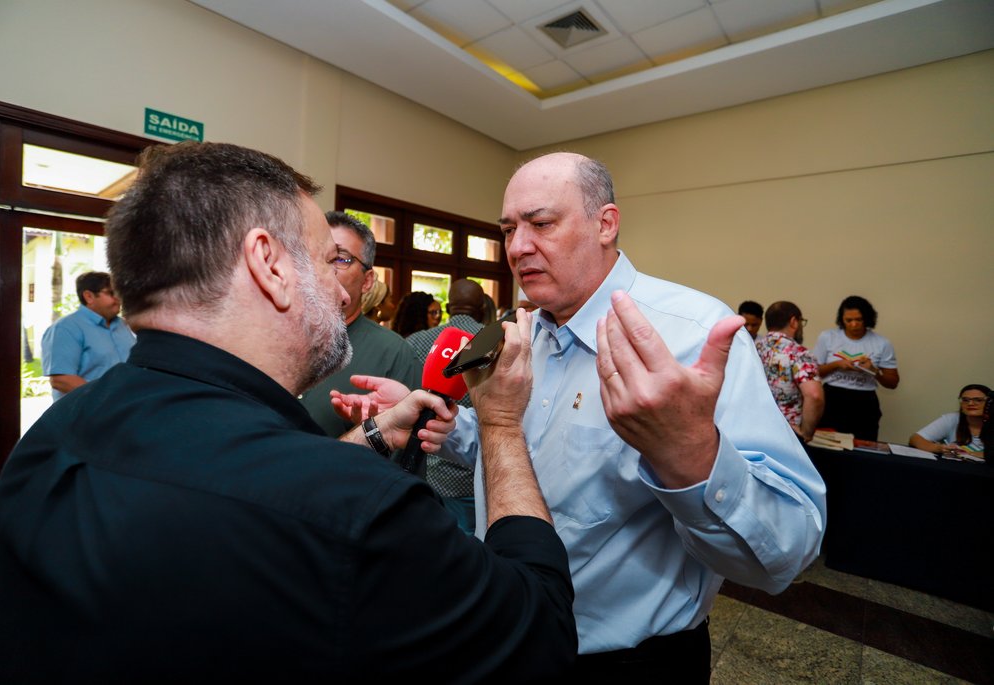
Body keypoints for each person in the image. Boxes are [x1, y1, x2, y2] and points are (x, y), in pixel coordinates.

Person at [0, 142, 577, 682]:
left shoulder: (48, 440)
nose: (342, 293)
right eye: (327, 261)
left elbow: (251, 486)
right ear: (268, 264)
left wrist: (374, 432)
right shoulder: (356, 505)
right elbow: (540, 632)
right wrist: (500, 422)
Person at [332, 152, 825, 681]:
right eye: (509, 229)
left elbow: (788, 548)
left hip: (626, 661)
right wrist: (453, 427)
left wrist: (690, 456)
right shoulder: (524, 331)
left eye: (541, 223)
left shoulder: (692, 334)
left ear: (605, 224)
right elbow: (530, 456)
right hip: (508, 628)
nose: (517, 247)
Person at [298, 211, 421, 437]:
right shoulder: (279, 335)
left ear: (367, 281)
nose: (324, 267)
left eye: (340, 258)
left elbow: (405, 447)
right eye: (314, 254)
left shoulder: (394, 354)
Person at [404, 278, 486, 533]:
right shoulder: (495, 344)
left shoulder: (415, 341)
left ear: (449, 308)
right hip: (478, 479)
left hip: (428, 473)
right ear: (483, 308)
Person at [813, 295, 899, 441]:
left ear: (867, 319)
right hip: (832, 398)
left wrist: (874, 371)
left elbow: (893, 382)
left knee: (863, 446)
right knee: (826, 445)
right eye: (849, 320)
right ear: (842, 320)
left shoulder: (882, 343)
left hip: (864, 402)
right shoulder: (828, 337)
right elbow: (813, 372)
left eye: (859, 320)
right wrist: (837, 364)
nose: (854, 325)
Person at [40, 270, 135, 400]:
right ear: (89, 296)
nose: (118, 298)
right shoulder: (66, 328)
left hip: (127, 407)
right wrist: (107, 400)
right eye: (111, 293)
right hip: (88, 410)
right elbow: (61, 380)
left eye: (119, 293)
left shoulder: (123, 326)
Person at [756, 301, 824, 442]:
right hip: (786, 433)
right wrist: (806, 433)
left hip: (753, 425)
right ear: (794, 322)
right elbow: (814, 395)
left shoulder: (752, 348)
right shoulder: (798, 353)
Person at [909, 384, 990, 458]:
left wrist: (975, 454)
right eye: (965, 400)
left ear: (990, 403)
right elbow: (915, 439)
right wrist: (939, 448)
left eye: (978, 400)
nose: (970, 403)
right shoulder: (951, 418)